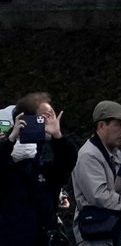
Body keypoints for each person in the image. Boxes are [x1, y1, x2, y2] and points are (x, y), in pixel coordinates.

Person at [0, 93, 77, 246]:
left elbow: (67, 163)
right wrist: (10, 141)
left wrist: (58, 136)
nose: (44, 121)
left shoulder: (45, 162)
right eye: (39, 118)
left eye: (48, 116)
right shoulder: (7, 163)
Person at [74, 99, 121, 246]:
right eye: (118, 125)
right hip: (95, 233)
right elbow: (100, 196)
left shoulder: (114, 151)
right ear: (102, 125)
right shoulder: (88, 155)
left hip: (111, 228)